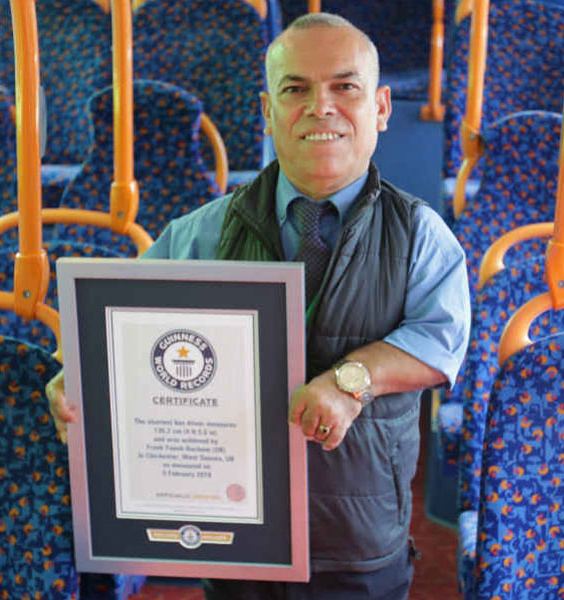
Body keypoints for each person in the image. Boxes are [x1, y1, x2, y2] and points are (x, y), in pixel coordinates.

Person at [48, 13, 470, 600]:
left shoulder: (420, 234)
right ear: (268, 112)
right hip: (233, 538)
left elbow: (439, 340)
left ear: (380, 107)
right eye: (295, 89)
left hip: (357, 540)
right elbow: (119, 329)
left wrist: (351, 381)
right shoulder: (201, 232)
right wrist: (79, 375)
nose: (320, 107)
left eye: (344, 87)